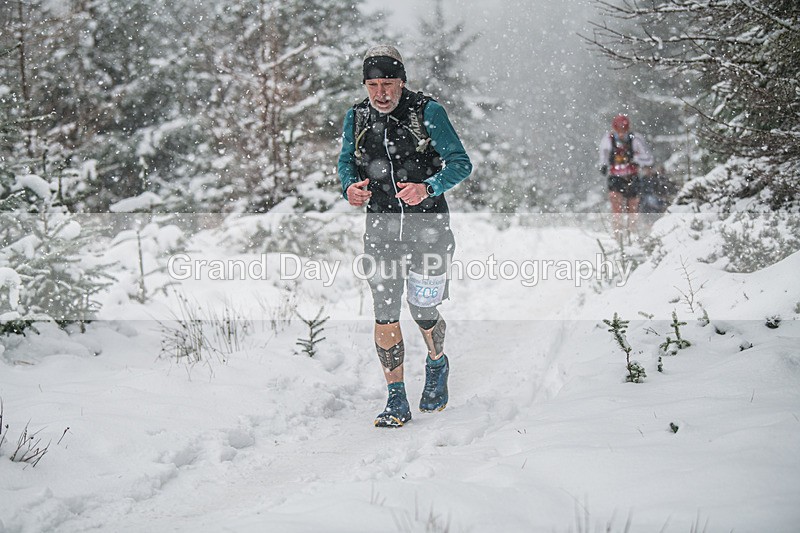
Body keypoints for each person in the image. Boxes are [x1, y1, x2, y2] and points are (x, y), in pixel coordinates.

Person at [338, 45, 473, 428]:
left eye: (389, 84)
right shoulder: (357, 116)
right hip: (379, 232)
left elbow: (461, 162)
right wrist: (349, 187)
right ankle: (396, 399)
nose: (381, 93)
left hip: (428, 230)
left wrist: (427, 188)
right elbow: (346, 162)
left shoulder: (427, 112)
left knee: (423, 311)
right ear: (365, 84)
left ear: (402, 82)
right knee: (384, 314)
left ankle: (436, 362)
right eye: (373, 84)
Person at [598, 114, 654, 240]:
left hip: (632, 176)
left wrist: (636, 160)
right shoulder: (607, 140)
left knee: (632, 207)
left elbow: (649, 159)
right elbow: (603, 157)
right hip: (615, 177)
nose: (621, 134)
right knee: (616, 205)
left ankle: (632, 233)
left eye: (624, 130)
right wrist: (604, 165)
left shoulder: (636, 140)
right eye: (619, 130)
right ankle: (618, 234)